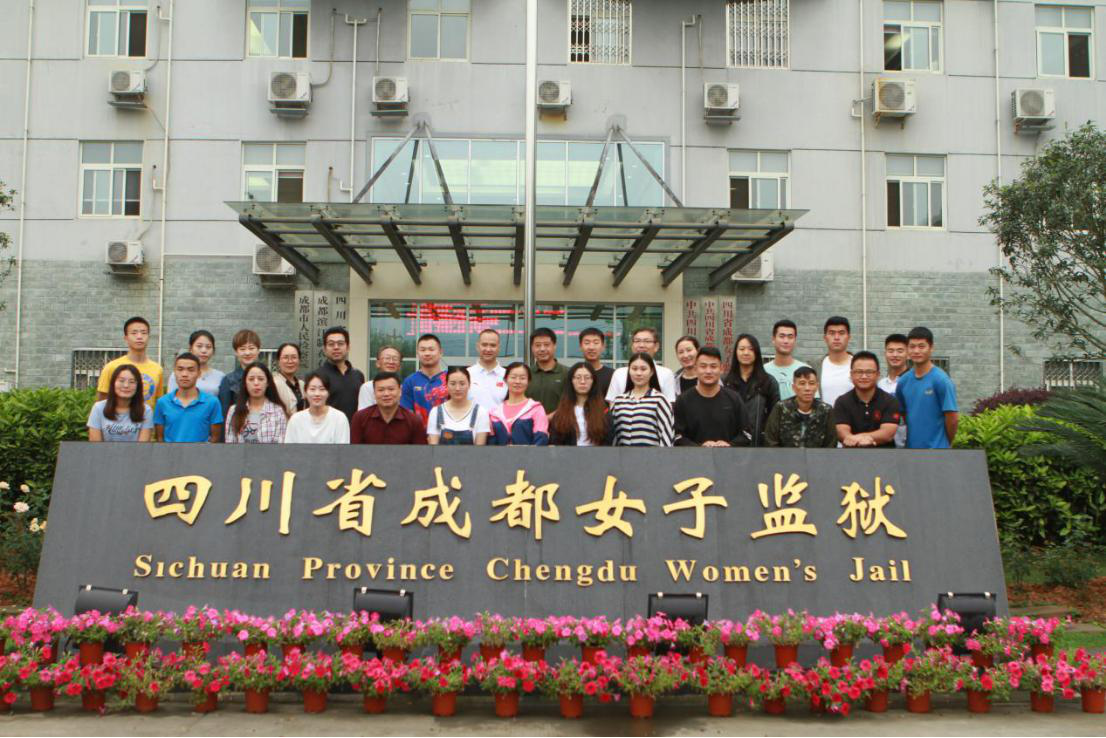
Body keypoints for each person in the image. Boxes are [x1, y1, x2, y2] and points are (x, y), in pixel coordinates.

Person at [895, 327, 959, 449]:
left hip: (937, 451)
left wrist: (945, 443)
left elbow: (952, 418)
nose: (916, 351)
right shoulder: (903, 381)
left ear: (931, 347)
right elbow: (903, 414)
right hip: (911, 450)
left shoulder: (941, 380)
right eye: (912, 347)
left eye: (921, 346)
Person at [675, 347, 750, 447]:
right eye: (703, 366)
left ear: (721, 369)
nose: (708, 371)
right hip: (694, 456)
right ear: (696, 369)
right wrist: (699, 447)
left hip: (728, 455)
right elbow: (677, 437)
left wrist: (730, 445)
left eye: (713, 366)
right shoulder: (683, 401)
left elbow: (747, 434)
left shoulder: (734, 399)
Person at [834, 351, 902, 448]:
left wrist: (856, 438)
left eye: (869, 372)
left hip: (884, 455)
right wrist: (857, 438)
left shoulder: (890, 401)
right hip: (851, 455)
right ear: (851, 374)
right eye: (859, 372)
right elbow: (841, 431)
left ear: (878, 374)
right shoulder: (842, 402)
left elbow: (888, 433)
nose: (864, 376)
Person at [723, 333, 780, 446]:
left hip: (759, 445)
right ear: (735, 352)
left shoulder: (768, 382)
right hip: (730, 444)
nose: (746, 353)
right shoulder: (725, 382)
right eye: (742, 349)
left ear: (756, 353)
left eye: (751, 349)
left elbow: (775, 418)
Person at [154, 353, 224, 443]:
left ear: (199, 374)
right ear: (174, 372)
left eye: (191, 370)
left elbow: (215, 438)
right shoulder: (163, 402)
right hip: (170, 451)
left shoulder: (212, 402)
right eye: (180, 369)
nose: (185, 374)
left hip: (201, 452)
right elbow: (160, 438)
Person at [609, 352, 675, 447]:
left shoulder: (659, 400)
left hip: (651, 455)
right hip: (623, 456)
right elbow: (613, 436)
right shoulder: (619, 401)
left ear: (651, 372)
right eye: (634, 369)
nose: (638, 373)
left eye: (643, 369)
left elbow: (667, 436)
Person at [97, 316, 163, 410]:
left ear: (148, 337)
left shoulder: (157, 369)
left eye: (144, 333)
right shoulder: (111, 367)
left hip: (146, 419)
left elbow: (158, 402)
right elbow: (101, 402)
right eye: (134, 333)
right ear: (126, 338)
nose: (139, 337)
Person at [764, 366, 836, 448]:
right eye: (802, 383)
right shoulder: (781, 408)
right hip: (784, 455)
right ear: (794, 387)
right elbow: (770, 441)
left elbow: (831, 443)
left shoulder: (826, 410)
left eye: (811, 383)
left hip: (817, 456)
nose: (807, 388)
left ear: (817, 386)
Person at [351, 372, 427, 445]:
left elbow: (420, 452)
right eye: (381, 390)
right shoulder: (360, 418)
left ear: (400, 391)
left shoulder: (414, 421)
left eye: (391, 389)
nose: (386, 394)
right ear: (374, 393)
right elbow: (354, 451)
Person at [605, 327, 677, 404]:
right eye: (637, 341)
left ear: (656, 346)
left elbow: (669, 404)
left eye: (647, 341)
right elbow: (612, 404)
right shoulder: (619, 373)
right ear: (632, 346)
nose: (641, 345)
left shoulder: (666, 373)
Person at [224, 363, 289, 444]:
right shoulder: (234, 410)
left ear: (268, 383)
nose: (256, 383)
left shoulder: (278, 411)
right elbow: (230, 443)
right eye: (251, 379)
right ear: (245, 383)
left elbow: (281, 444)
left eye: (261, 379)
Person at [549, 362, 611, 446]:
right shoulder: (561, 412)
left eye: (587, 378)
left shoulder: (603, 411)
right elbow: (555, 441)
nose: (582, 382)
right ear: (571, 381)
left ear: (593, 381)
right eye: (578, 377)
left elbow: (608, 441)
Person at [87, 364, 153, 442]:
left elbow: (143, 446)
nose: (126, 385)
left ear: (138, 386)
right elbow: (95, 445)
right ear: (113, 383)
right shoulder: (98, 408)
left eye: (132, 382)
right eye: (121, 381)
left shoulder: (146, 411)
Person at [488, 363, 550, 445]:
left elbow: (541, 440)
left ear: (528, 381)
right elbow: (491, 443)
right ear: (505, 380)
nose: (517, 381)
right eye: (513, 377)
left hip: (528, 453)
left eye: (522, 378)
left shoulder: (536, 409)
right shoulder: (494, 412)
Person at [427, 367, 491, 446]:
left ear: (469, 385)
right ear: (446, 385)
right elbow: (433, 449)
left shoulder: (480, 413)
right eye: (453, 384)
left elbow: (480, 449)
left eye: (462, 384)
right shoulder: (435, 412)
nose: (457, 388)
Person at [315, 326, 365, 422]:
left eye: (340, 343)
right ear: (324, 349)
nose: (336, 347)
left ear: (348, 347)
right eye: (331, 344)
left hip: (354, 429)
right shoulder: (317, 376)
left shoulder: (358, 375)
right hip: (329, 429)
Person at [284, 372, 351, 444]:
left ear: (328, 393)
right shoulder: (296, 420)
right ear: (305, 393)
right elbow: (289, 449)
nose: (317, 394)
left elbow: (342, 449)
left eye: (322, 389)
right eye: (312, 389)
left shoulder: (339, 418)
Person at [400, 333, 448, 424]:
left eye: (431, 349)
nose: (427, 353)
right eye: (422, 350)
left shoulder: (450, 379)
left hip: (447, 431)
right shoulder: (409, 382)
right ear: (417, 353)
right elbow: (406, 413)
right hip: (418, 432)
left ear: (441, 352)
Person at [218, 329, 262, 417]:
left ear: (258, 351)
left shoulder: (267, 378)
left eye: (251, 348)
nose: (247, 353)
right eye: (242, 349)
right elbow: (224, 413)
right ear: (236, 352)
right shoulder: (228, 380)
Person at [167, 330, 224, 397]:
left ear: (213, 350)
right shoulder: (178, 375)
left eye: (208, 347)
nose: (204, 350)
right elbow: (170, 399)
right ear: (190, 348)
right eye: (199, 346)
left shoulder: (220, 376)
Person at [877, 333, 910, 448]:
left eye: (900, 351)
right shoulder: (880, 384)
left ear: (908, 354)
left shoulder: (913, 382)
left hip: (911, 445)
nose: (895, 355)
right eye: (890, 351)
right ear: (885, 353)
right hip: (885, 445)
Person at [764, 319, 810, 401]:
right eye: (782, 336)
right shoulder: (763, 371)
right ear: (773, 339)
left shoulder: (806, 370)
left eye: (790, 337)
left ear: (795, 340)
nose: (786, 341)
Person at [528, 327, 568, 414]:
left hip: (559, 422)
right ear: (532, 348)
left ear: (554, 346)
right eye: (538, 345)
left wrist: (547, 418)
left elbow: (572, 403)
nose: (542, 349)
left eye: (546, 345)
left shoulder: (567, 373)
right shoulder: (526, 374)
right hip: (530, 422)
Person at [466, 329, 507, 412]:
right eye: (484, 345)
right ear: (477, 346)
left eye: (493, 345)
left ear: (498, 348)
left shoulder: (507, 376)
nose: (488, 349)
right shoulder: (467, 374)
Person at [819, 316, 854, 408]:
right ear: (825, 338)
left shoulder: (859, 366)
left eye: (841, 333)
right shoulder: (816, 367)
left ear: (849, 337)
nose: (836, 337)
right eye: (832, 333)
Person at [357, 344, 404, 410]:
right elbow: (364, 414)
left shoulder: (405, 387)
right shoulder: (367, 387)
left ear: (400, 365)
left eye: (395, 359)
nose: (391, 362)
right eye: (387, 358)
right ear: (378, 363)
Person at [578, 327, 615, 399]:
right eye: (587, 343)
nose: (591, 347)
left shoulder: (613, 375)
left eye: (596, 343)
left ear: (603, 346)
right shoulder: (573, 374)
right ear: (580, 346)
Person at [273, 342, 307, 414]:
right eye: (285, 357)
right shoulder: (274, 384)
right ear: (278, 361)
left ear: (299, 360)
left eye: (294, 357)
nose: (290, 361)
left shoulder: (302, 385)